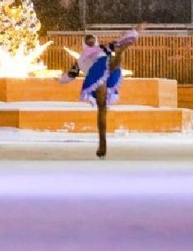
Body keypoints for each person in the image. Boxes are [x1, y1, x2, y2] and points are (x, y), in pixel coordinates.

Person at [57, 24, 143, 158]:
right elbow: (119, 42)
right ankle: (119, 55)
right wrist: (134, 32)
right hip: (104, 71)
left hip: (98, 75)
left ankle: (102, 142)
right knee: (113, 65)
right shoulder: (100, 50)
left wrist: (60, 80)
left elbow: (71, 75)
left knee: (102, 108)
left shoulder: (84, 57)